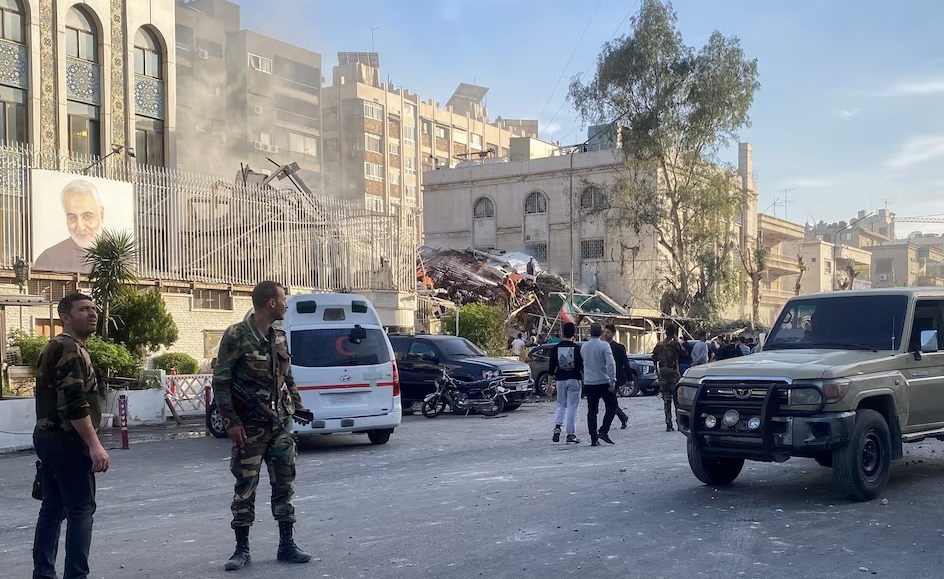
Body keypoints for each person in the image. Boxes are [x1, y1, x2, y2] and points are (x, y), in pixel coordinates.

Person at [212, 281, 313, 571]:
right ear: (271, 302)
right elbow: (221, 381)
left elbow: (287, 378)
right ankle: (241, 549)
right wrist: (231, 422)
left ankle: (287, 545)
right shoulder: (236, 335)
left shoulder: (279, 336)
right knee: (245, 487)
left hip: (280, 423)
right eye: (283, 299)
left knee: (285, 483)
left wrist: (298, 406)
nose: (286, 304)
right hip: (249, 427)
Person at [32, 293, 109, 579]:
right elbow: (74, 404)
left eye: (93, 308)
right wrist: (95, 446)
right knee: (81, 509)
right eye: (83, 309)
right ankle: (76, 575)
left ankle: (43, 574)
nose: (93, 313)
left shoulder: (55, 346)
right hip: (67, 440)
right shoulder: (69, 349)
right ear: (65, 317)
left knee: (52, 509)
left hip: (48, 437)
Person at [34, 180, 106, 274]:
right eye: (72, 218)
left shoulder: (123, 258)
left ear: (101, 215)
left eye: (87, 216)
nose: (80, 227)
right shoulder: (48, 261)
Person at [581, 323, 618, 446]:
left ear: (590, 333)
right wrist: (612, 380)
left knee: (592, 411)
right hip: (603, 381)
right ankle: (603, 430)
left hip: (589, 382)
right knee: (612, 406)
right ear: (601, 333)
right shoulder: (604, 346)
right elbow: (611, 364)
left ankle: (593, 438)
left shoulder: (584, 347)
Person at [549, 322, 583, 444]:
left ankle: (558, 426)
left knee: (561, 405)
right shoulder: (578, 348)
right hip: (574, 379)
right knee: (572, 407)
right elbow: (582, 366)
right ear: (574, 334)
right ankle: (570, 434)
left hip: (560, 379)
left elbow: (551, 368)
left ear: (562, 333)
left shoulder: (556, 348)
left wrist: (549, 384)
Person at [652, 326, 683, 432]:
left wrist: (657, 372)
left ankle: (668, 423)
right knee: (677, 400)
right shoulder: (675, 344)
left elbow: (654, 358)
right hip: (674, 374)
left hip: (663, 374)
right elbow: (684, 353)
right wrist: (676, 339)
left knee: (666, 400)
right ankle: (679, 423)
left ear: (665, 332)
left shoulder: (659, 345)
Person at [602, 324, 630, 429]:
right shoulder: (602, 347)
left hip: (616, 377)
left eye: (608, 332)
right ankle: (623, 417)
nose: (606, 334)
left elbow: (625, 363)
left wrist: (629, 378)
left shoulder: (619, 348)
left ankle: (606, 425)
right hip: (604, 377)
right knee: (610, 401)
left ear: (613, 334)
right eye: (605, 332)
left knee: (610, 401)